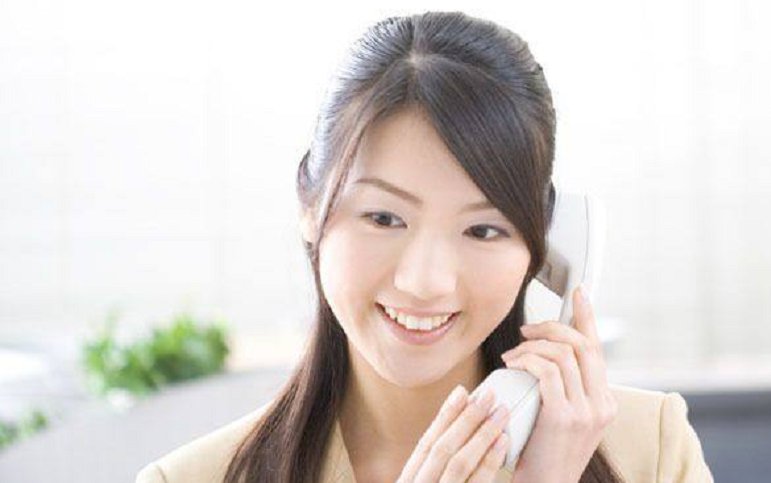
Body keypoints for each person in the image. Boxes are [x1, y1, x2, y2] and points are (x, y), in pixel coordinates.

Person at [136, 10, 713, 483]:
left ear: (546, 243)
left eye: (482, 230)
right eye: (384, 218)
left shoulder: (651, 450)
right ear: (310, 209)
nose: (424, 281)